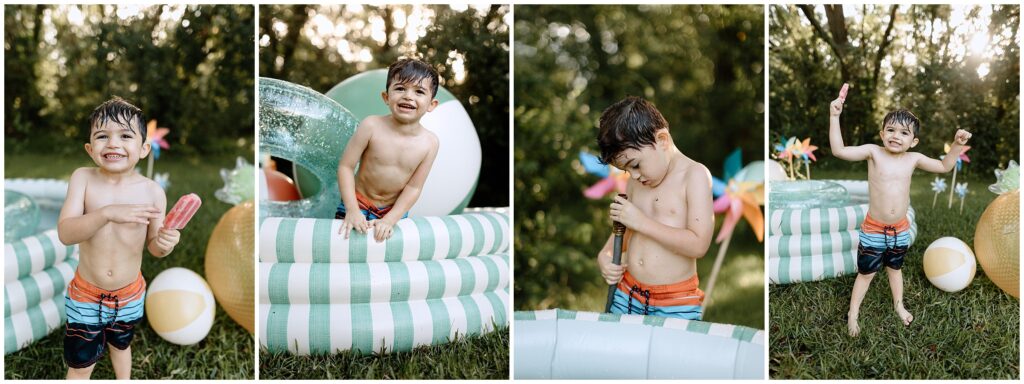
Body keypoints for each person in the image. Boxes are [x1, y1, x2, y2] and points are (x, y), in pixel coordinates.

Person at [829, 83, 972, 337]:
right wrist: (834, 116)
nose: (896, 136)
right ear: (882, 133)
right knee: (866, 274)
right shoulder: (874, 152)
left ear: (913, 141)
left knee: (895, 269)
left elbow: (944, 166)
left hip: (900, 229)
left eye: (904, 133)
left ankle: (898, 305)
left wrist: (957, 144)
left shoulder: (913, 159)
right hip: (874, 229)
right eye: (891, 130)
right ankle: (853, 313)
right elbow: (839, 151)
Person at [57, 97, 180, 379]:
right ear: (90, 148)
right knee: (80, 362)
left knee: (121, 345)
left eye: (125, 135)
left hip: (129, 295)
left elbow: (154, 247)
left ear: (144, 148)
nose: (113, 143)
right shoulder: (83, 179)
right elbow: (65, 233)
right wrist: (107, 213)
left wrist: (163, 244)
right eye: (102, 136)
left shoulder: (152, 192)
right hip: (86, 295)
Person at [595, 96, 715, 320]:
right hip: (627, 292)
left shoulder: (694, 176)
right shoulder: (636, 183)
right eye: (626, 171)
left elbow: (699, 244)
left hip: (674, 300)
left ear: (662, 140)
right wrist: (605, 256)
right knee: (618, 348)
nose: (634, 176)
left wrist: (641, 222)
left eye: (636, 165)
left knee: (673, 354)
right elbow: (622, 235)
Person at [336, 58, 441, 242]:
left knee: (385, 259)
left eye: (419, 92)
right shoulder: (371, 126)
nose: (408, 96)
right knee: (342, 246)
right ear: (386, 97)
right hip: (357, 202)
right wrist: (352, 209)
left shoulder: (429, 143)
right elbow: (346, 166)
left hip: (393, 211)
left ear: (431, 104)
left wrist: (391, 219)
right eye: (400, 88)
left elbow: (414, 187)